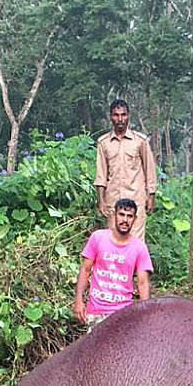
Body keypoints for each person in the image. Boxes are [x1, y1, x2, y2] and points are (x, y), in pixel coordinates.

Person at [72, 198, 153, 327]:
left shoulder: (139, 247)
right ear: (114, 215)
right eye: (121, 215)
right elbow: (85, 270)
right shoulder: (98, 238)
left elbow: (143, 283)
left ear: (135, 219)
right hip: (96, 312)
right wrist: (78, 301)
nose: (125, 220)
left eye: (129, 216)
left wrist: (144, 314)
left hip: (123, 313)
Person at [94, 99, 157, 241]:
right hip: (113, 201)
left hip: (136, 199)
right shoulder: (103, 143)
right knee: (114, 241)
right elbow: (101, 175)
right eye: (116, 115)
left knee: (136, 241)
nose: (120, 119)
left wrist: (151, 195)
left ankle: (136, 264)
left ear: (128, 116)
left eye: (123, 115)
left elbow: (149, 169)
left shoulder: (140, 141)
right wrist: (101, 200)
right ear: (111, 117)